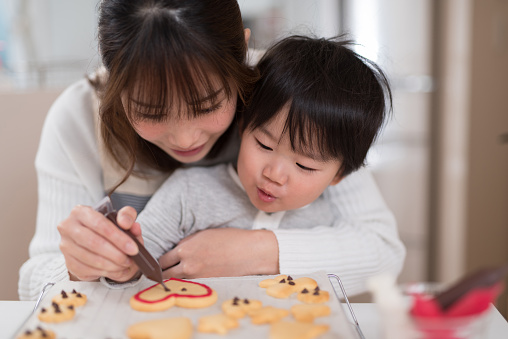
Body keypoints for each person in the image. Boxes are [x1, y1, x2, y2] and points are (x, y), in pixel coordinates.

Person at [18, 0, 405, 301]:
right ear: (114, 81)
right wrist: (76, 267)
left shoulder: (284, 98)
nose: (186, 140)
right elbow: (34, 284)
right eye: (151, 111)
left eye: (207, 106)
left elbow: (382, 251)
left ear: (242, 57)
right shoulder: (78, 118)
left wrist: (253, 251)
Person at [112, 35, 403, 296]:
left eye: (304, 165)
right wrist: (116, 255)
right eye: (264, 146)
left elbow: (380, 258)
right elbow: (128, 266)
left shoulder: (329, 219)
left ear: (340, 176)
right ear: (242, 127)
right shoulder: (189, 193)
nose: (274, 174)